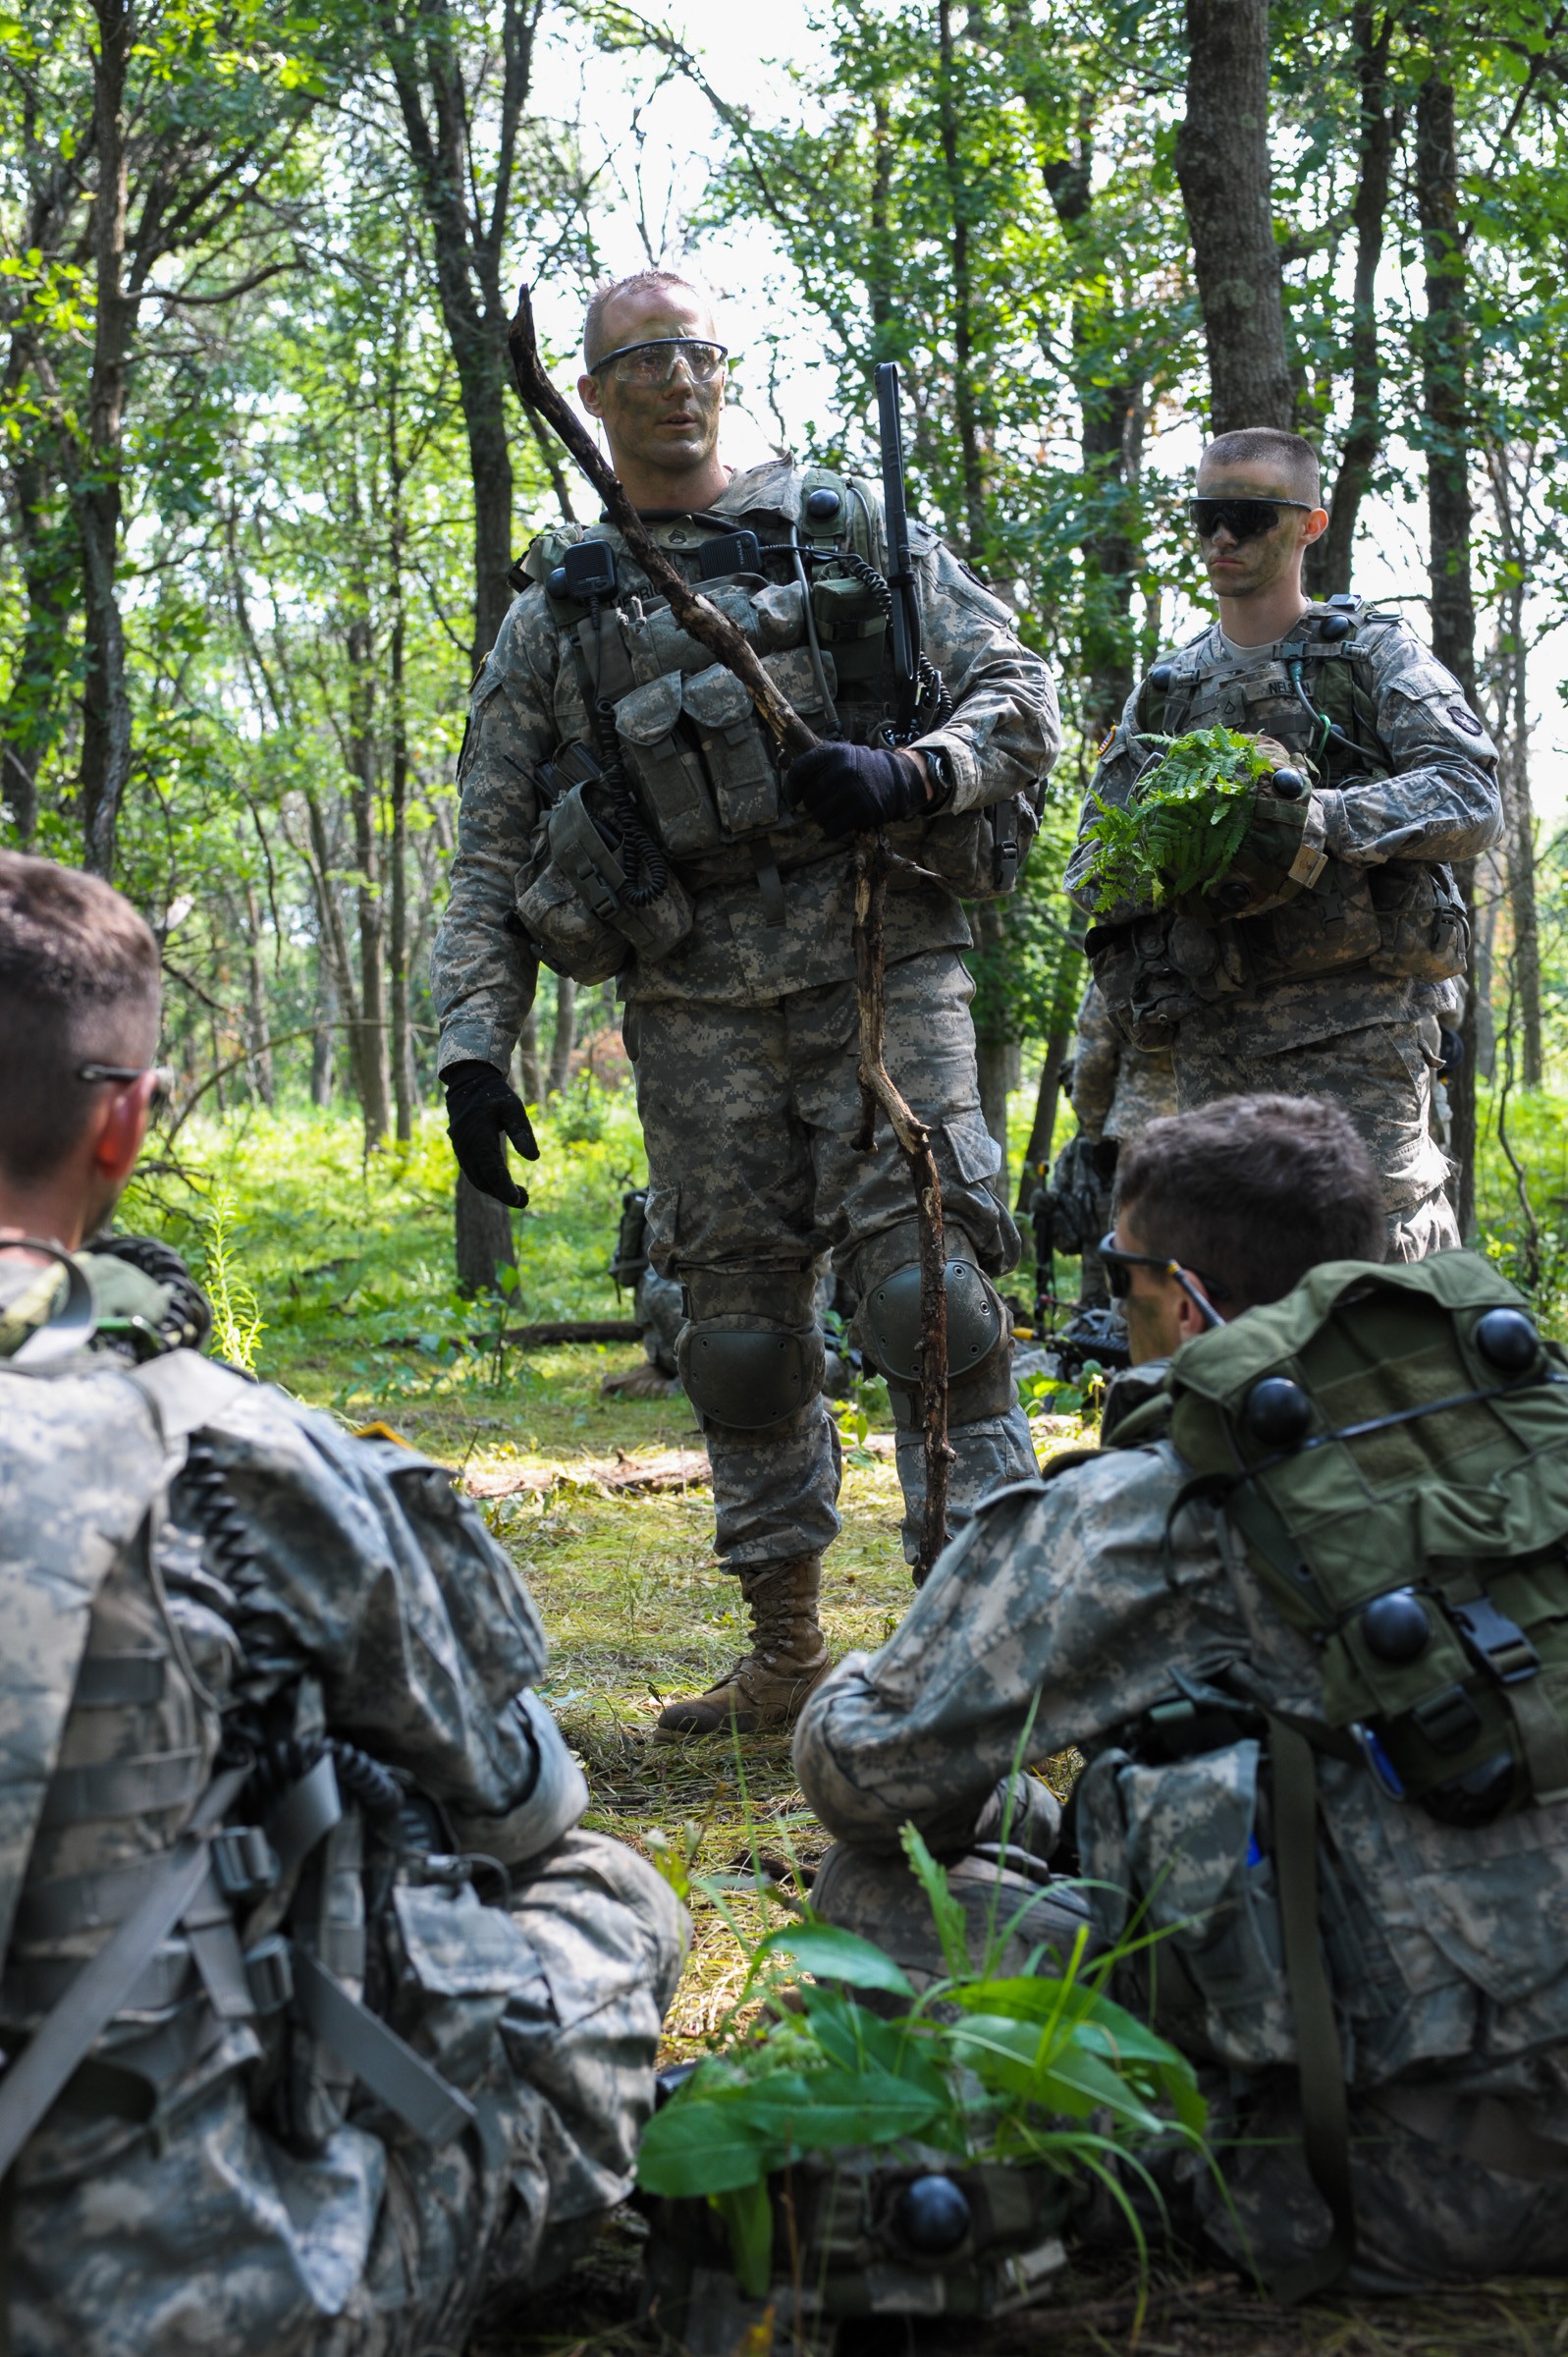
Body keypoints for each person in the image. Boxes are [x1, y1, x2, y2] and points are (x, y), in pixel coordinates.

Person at [0, 851, 685, 2356]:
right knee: (608, 1901)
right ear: (125, 1122)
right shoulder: (246, 1459)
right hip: (171, 2303)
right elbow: (517, 1815)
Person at [795, 1093, 1568, 2294]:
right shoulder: (1537, 1441)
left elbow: (863, 1774)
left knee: (878, 1892)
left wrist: (867, 1696)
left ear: (1186, 1296)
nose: (1118, 1301)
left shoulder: (1162, 1504)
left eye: (1121, 1273)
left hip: (1407, 2186)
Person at [432, 268, 1061, 1739]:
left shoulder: (846, 528)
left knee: (932, 1301)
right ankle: (786, 1651)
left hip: (879, 972)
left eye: (693, 351)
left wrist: (918, 774)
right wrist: (475, 1044)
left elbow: (1018, 695)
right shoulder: (565, 602)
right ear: (587, 394)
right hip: (692, 1010)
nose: (671, 379)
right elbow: (491, 838)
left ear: (727, 368)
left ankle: (977, 1651)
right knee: (737, 1333)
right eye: (636, 358)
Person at [1067, 427, 1501, 1260]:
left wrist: (1318, 822)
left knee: (1368, 1277)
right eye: (1204, 516)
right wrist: (1187, 858)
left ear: (1308, 525)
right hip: (1213, 1042)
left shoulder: (1371, 658)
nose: (1221, 537)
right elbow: (1094, 867)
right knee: (1228, 1286)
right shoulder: (1168, 691)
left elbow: (1468, 795)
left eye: (1248, 514)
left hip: (1358, 1036)